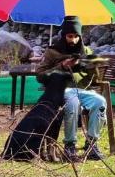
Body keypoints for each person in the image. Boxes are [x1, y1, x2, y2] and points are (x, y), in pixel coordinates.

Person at [35, 16, 107, 161]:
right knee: (72, 103)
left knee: (100, 102)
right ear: (64, 35)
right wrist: (62, 66)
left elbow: (94, 78)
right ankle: (70, 146)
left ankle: (92, 145)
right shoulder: (53, 52)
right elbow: (40, 75)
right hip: (61, 91)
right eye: (70, 36)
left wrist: (92, 66)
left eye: (76, 36)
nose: (73, 40)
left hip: (82, 90)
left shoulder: (85, 50)